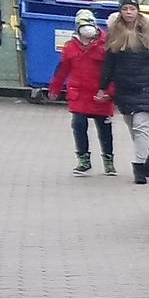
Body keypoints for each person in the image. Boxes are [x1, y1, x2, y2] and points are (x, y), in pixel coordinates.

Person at [103, 0, 149, 184]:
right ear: (120, 12)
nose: (129, 12)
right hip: (124, 87)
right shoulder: (115, 32)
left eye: (132, 8)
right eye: (125, 9)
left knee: (140, 126)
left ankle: (139, 167)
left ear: (138, 10)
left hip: (145, 86)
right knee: (133, 128)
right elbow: (109, 63)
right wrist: (102, 87)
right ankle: (147, 155)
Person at [50, 10, 114, 175]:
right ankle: (83, 160)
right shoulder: (70, 47)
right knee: (79, 125)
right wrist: (55, 88)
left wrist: (110, 92)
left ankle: (108, 160)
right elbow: (62, 70)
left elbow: (113, 71)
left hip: (100, 95)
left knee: (104, 129)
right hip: (79, 95)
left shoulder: (106, 46)